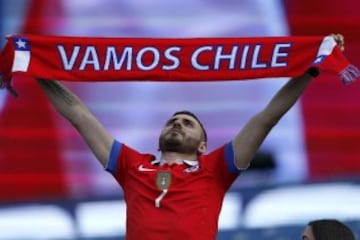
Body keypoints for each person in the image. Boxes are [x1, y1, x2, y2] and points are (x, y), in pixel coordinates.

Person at [36, 34, 345, 240]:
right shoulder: (132, 166)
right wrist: (35, 65)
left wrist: (311, 70)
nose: (178, 124)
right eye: (173, 121)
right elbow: (79, 113)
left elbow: (267, 117)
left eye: (187, 123)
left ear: (202, 146)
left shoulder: (216, 169)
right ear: (158, 139)